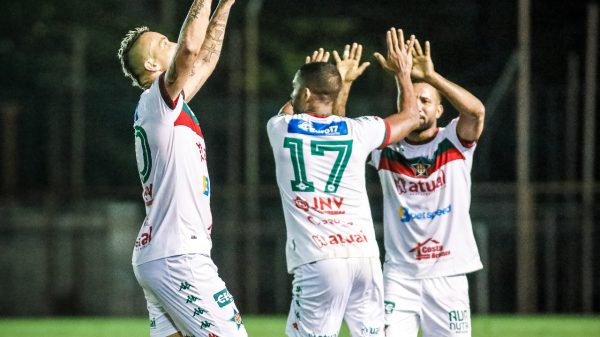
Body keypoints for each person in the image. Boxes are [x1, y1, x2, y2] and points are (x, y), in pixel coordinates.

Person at [266, 28, 419, 337]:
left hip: (318, 258)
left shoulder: (280, 127)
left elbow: (291, 108)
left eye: (298, 88)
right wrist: (403, 73)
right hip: (364, 257)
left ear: (305, 94)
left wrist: (323, 81)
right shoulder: (358, 131)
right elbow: (411, 116)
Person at [117, 1, 247, 337]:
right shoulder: (157, 100)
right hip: (178, 255)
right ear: (150, 64)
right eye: (161, 43)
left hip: (160, 252)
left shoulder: (170, 105)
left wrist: (226, 5)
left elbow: (204, 58)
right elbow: (190, 49)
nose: (169, 42)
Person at [369, 38, 486, 337]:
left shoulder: (454, 141)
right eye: (412, 99)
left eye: (426, 101)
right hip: (399, 277)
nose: (418, 107)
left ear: (439, 110)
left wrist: (431, 76)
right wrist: (401, 77)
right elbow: (346, 134)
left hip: (448, 276)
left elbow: (476, 112)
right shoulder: (385, 147)